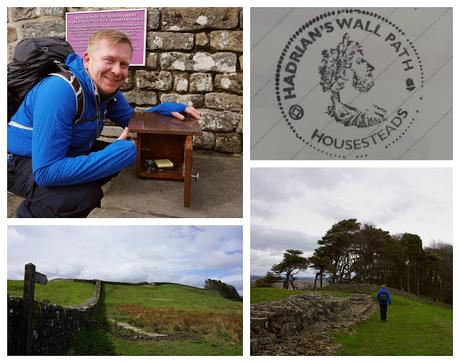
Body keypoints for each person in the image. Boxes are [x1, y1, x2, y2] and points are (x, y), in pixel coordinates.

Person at [7, 29, 200, 218]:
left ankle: (56, 194)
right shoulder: (58, 91)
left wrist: (159, 111)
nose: (117, 71)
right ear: (87, 59)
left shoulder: (105, 91)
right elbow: (46, 172)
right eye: (109, 60)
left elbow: (131, 120)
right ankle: (29, 215)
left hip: (63, 149)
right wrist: (114, 155)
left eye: (124, 64)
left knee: (112, 162)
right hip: (18, 161)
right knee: (83, 197)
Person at [318, 33, 387, 128]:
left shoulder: (373, 113)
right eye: (360, 61)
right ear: (343, 73)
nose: (371, 67)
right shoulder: (367, 119)